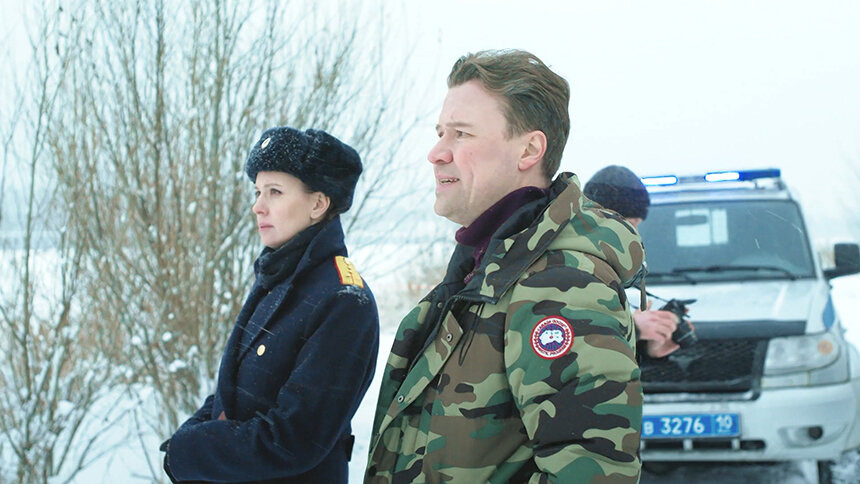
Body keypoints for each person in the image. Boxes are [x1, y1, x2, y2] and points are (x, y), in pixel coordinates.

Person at [365, 50, 645, 483]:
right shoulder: (487, 269)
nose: (436, 153)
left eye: (461, 133)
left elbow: (594, 473)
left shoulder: (559, 285)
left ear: (529, 150)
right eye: (440, 133)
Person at [161, 127, 379, 483]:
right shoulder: (278, 277)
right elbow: (232, 390)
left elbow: (294, 438)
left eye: (274, 192)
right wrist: (188, 436)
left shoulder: (343, 300)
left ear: (318, 204)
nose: (257, 206)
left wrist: (190, 451)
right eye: (257, 192)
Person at [583, 165, 687, 358]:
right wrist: (634, 329)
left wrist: (646, 349)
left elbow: (601, 364)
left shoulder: (606, 269)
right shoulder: (565, 268)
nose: (636, 235)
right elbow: (558, 345)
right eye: (631, 224)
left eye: (637, 225)